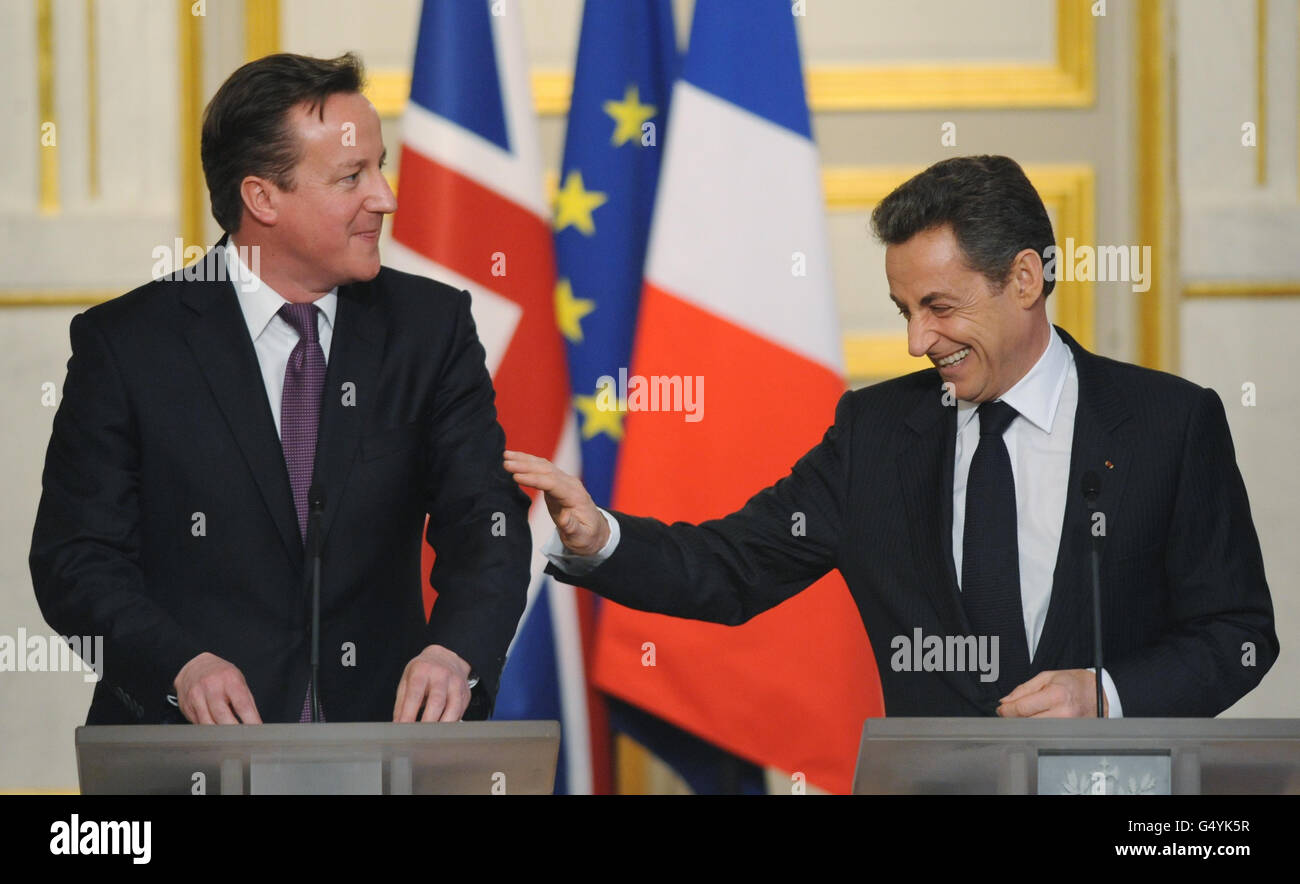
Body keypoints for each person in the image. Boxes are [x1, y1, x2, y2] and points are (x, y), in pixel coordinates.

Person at [506, 155, 1278, 718]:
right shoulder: (875, 435)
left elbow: (1236, 634)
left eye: (939, 307)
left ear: (1024, 280)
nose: (918, 341)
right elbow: (731, 566)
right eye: (904, 310)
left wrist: (1105, 695)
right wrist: (599, 535)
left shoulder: (1169, 425)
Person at [30, 52, 531, 725]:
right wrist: (179, 667)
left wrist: (454, 652)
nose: (384, 197)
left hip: (385, 742)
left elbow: (487, 525)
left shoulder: (430, 329)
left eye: (379, 167)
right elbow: (77, 559)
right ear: (262, 197)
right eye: (353, 176)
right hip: (188, 751)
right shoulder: (127, 345)